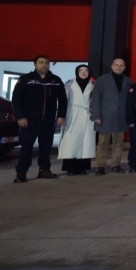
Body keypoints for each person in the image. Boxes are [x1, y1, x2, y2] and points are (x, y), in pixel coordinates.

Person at [11, 55, 67, 183]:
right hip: (29, 121)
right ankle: (21, 173)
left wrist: (61, 115)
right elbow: (16, 99)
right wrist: (20, 116)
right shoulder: (26, 79)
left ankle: (44, 170)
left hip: (48, 120)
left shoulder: (55, 80)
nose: (44, 65)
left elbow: (63, 100)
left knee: (46, 147)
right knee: (26, 148)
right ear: (35, 64)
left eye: (46, 62)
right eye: (41, 62)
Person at [91, 58, 131, 175]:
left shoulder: (128, 81)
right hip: (105, 117)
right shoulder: (102, 80)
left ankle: (116, 164)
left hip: (121, 117)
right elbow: (95, 98)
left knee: (118, 143)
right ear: (112, 66)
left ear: (124, 67)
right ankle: (101, 166)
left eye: (121, 65)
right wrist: (96, 115)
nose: (119, 67)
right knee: (103, 143)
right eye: (116, 65)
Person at [58, 64, 95, 176]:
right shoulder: (69, 84)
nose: (83, 72)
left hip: (87, 116)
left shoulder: (93, 85)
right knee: (70, 142)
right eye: (81, 70)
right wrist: (61, 116)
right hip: (72, 115)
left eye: (86, 70)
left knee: (85, 142)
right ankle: (70, 168)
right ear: (77, 72)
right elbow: (63, 101)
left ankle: (83, 168)